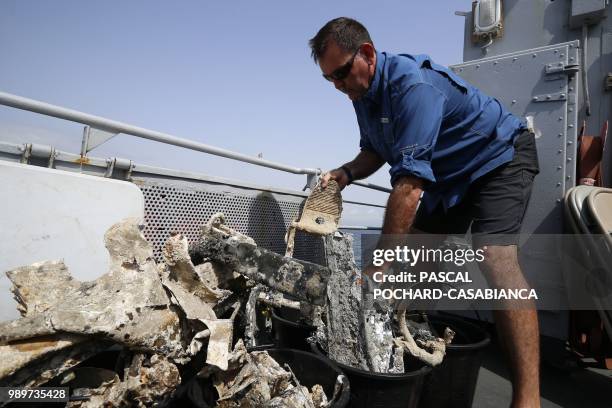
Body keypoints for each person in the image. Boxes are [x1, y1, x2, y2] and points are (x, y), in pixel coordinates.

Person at [310, 17, 541, 408]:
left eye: (342, 72)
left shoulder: (412, 85)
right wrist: (346, 173)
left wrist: (377, 265)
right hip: (449, 179)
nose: (338, 86)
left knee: (495, 258)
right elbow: (375, 151)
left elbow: (410, 186)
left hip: (498, 158)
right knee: (416, 262)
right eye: (329, 79)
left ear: (367, 53)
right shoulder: (362, 96)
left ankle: (528, 399)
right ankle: (414, 356)